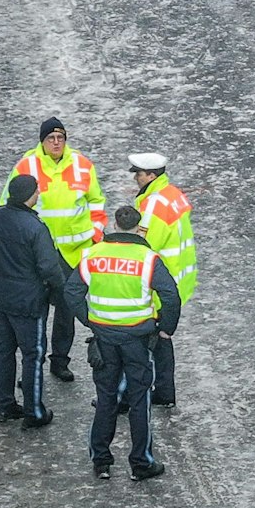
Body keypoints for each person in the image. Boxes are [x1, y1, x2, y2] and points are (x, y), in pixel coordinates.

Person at [69, 206, 180, 481]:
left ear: (114, 225)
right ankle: (141, 463)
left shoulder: (92, 254)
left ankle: (101, 461)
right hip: (137, 339)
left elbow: (71, 291)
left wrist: (89, 320)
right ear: (138, 228)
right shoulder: (148, 259)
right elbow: (170, 295)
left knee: (106, 398)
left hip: (104, 337)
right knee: (139, 399)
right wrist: (166, 328)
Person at [2, 117, 104, 383]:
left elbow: (96, 202)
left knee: (66, 310)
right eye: (51, 138)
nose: (56, 143)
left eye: (61, 138)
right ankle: (32, 366)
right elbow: (8, 205)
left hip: (73, 253)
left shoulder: (82, 165)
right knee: (36, 311)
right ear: (42, 141)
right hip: (37, 253)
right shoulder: (27, 165)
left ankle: (60, 361)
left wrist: (95, 235)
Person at [0, 173, 67, 427]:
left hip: (2, 298)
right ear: (30, 196)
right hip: (29, 303)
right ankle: (34, 412)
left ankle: (5, 406)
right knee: (33, 355)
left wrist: (3, 270)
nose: (38, 194)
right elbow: (49, 268)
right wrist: (57, 291)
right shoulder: (35, 228)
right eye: (36, 191)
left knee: (4, 352)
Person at [129, 152, 197, 408]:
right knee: (163, 335)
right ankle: (165, 391)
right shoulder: (171, 194)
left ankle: (133, 394)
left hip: (159, 280)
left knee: (147, 339)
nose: (136, 178)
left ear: (151, 175)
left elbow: (145, 245)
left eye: (139, 173)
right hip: (178, 275)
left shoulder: (154, 204)